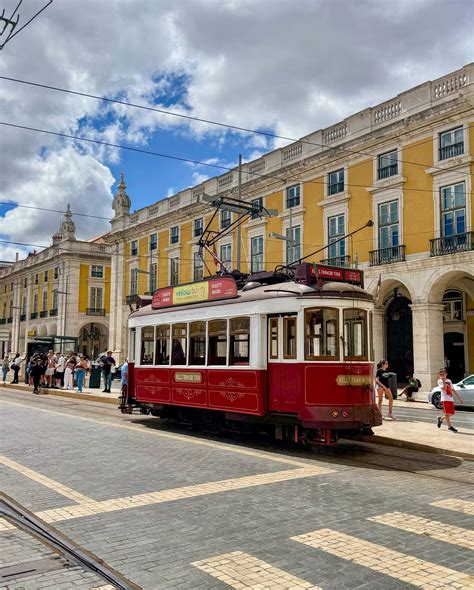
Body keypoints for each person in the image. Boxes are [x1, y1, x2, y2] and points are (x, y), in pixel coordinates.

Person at [437, 368, 463, 432]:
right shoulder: (439, 381)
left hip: (450, 398)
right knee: (446, 413)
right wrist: (443, 381)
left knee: (451, 413)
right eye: (441, 374)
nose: (443, 375)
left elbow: (452, 389)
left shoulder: (449, 380)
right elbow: (444, 389)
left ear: (446, 374)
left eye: (444, 373)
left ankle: (440, 419)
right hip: (445, 399)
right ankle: (449, 427)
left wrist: (459, 398)